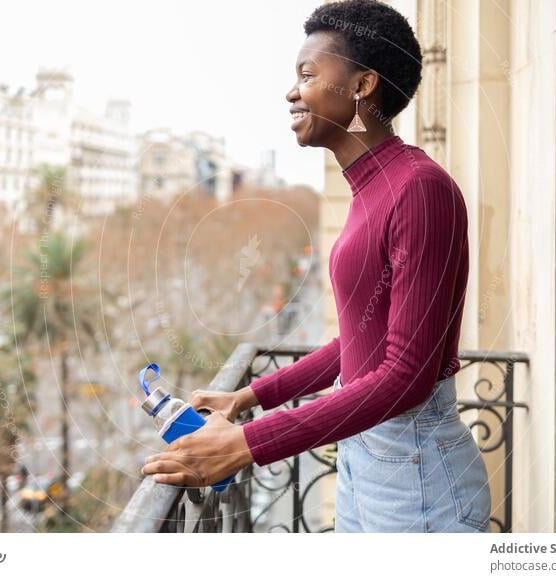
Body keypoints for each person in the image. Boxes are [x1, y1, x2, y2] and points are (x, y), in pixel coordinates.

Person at [142, 0, 491, 533]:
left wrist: (247, 445)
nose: (291, 92)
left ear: (362, 85)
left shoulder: (420, 189)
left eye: (307, 75)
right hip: (367, 453)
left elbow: (407, 376)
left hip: (415, 471)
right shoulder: (371, 188)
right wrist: (249, 396)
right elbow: (360, 344)